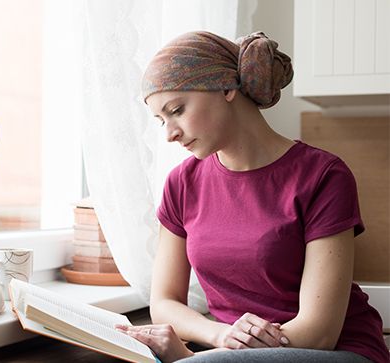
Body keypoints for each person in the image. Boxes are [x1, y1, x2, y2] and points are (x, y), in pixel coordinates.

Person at [115, 31, 389, 363]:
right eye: (161, 121)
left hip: (336, 351)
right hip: (232, 353)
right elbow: (164, 304)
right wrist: (217, 337)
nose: (170, 133)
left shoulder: (324, 175)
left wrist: (196, 356)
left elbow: (319, 332)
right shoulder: (182, 183)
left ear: (227, 88)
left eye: (177, 110)